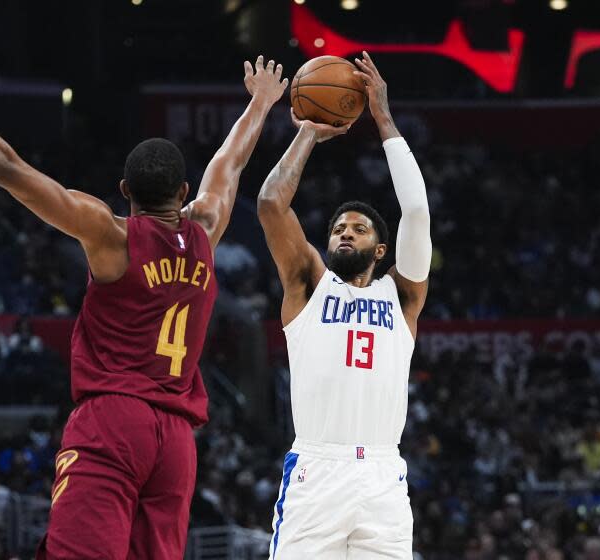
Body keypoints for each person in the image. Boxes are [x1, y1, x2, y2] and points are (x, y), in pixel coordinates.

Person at [0, 33, 288, 559]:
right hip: (177, 441)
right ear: (183, 194)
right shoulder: (205, 228)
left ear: (125, 191)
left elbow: (5, 166)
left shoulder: (111, 234)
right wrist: (260, 104)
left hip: (114, 420)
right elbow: (228, 167)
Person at [257, 51, 431, 559]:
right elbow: (270, 205)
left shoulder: (401, 297)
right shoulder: (309, 286)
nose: (345, 232)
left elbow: (416, 210)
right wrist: (308, 132)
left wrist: (383, 117)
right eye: (337, 228)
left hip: (382, 476)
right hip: (318, 471)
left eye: (358, 228)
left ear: (382, 250)